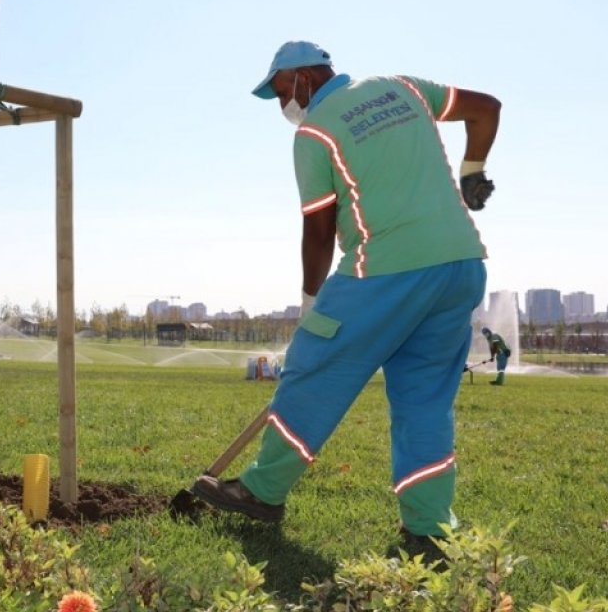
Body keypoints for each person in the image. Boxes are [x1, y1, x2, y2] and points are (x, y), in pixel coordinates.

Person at [191, 41, 502, 558]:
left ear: (307, 74)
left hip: (384, 271)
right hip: (460, 266)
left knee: (310, 371)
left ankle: (262, 493)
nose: (282, 104)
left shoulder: (316, 131)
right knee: (424, 401)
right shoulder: (403, 88)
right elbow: (486, 108)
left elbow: (319, 226)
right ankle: (428, 529)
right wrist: (473, 171)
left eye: (281, 89)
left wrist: (311, 302)